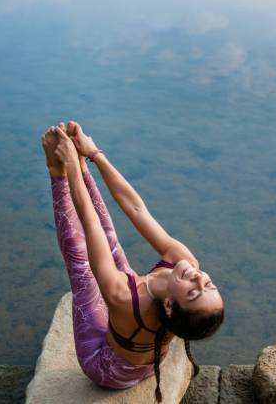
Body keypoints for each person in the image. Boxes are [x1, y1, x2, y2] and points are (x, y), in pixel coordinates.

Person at [40, 122, 224, 402]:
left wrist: (67, 171)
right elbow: (136, 207)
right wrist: (92, 155)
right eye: (208, 283)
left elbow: (90, 229)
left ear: (169, 305)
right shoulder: (186, 263)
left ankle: (56, 172)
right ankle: (76, 163)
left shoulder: (124, 298)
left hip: (107, 368)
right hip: (146, 355)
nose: (199, 277)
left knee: (83, 267)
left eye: (194, 290)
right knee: (111, 244)